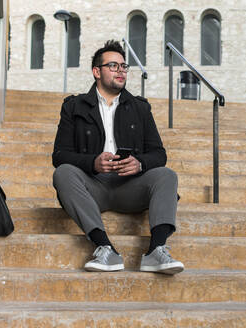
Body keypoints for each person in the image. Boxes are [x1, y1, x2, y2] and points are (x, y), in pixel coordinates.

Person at [52, 40, 184, 275]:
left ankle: (157, 250)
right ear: (96, 72)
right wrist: (92, 162)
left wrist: (139, 163)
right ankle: (105, 248)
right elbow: (60, 155)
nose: (121, 71)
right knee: (63, 173)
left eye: (124, 66)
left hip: (130, 186)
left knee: (166, 175)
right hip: (92, 187)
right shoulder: (74, 106)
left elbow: (159, 154)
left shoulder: (140, 107)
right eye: (113, 66)